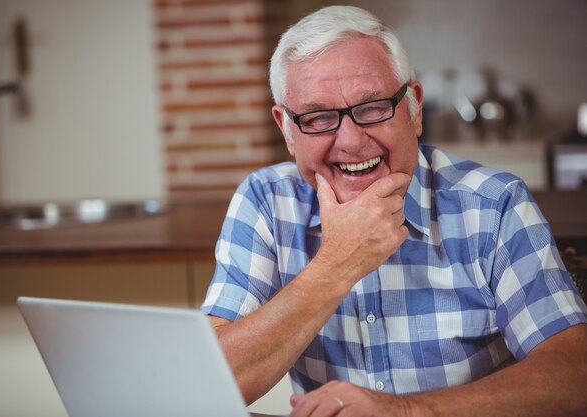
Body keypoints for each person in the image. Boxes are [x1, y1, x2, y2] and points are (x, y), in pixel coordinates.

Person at [201, 5, 587, 416]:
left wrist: (405, 412)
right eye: (317, 118)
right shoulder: (265, 201)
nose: (350, 142)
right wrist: (335, 266)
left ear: (414, 108)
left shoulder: (494, 204)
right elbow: (208, 383)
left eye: (372, 108)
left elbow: (574, 376)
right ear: (287, 130)